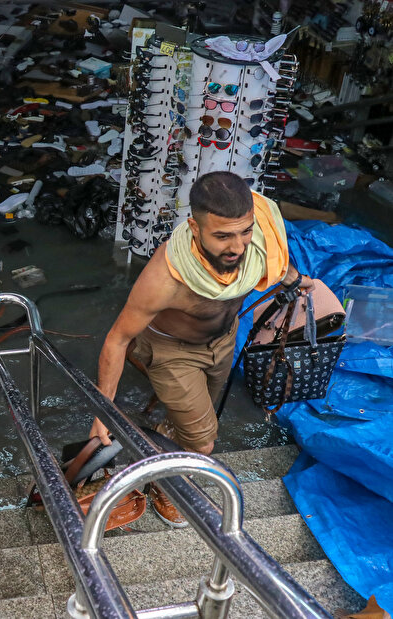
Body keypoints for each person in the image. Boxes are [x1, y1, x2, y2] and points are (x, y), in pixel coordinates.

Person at [91, 171, 312, 528]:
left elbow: (278, 264)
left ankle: (169, 436)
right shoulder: (164, 277)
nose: (237, 247)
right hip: (172, 351)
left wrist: (300, 283)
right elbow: (117, 339)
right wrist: (101, 412)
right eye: (222, 236)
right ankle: (169, 486)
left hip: (223, 341)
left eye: (244, 232)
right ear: (195, 228)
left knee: (198, 417)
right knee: (205, 441)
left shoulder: (262, 232)